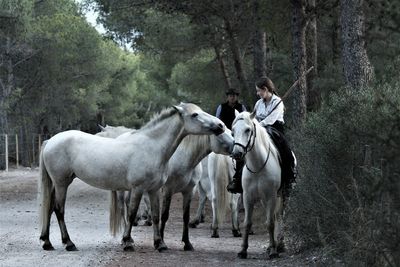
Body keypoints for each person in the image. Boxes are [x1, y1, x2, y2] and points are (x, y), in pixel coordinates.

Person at [227, 77, 296, 196]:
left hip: (275, 129)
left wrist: (258, 125)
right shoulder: (258, 103)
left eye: (259, 91)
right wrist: (254, 125)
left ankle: (288, 181)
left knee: (286, 151)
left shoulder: (277, 102)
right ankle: (237, 179)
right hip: (259, 129)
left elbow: (271, 119)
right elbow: (254, 117)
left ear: (265, 89)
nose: (257, 93)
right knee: (244, 147)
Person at [216, 88, 247, 194]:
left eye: (234, 95)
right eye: (230, 95)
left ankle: (238, 179)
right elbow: (217, 121)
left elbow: (246, 122)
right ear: (227, 96)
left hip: (238, 137)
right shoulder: (221, 107)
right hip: (224, 136)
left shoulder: (241, 107)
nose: (232, 97)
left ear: (236, 97)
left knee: (241, 157)